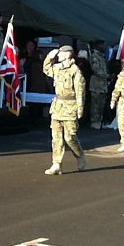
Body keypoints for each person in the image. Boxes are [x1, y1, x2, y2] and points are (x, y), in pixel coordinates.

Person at [43, 45, 86, 175]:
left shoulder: (75, 71)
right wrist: (49, 57)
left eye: (60, 53)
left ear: (67, 54)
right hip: (57, 106)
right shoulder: (57, 68)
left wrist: (80, 109)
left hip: (70, 106)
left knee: (70, 137)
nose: (58, 55)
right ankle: (56, 164)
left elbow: (80, 91)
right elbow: (46, 69)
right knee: (56, 138)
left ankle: (79, 155)